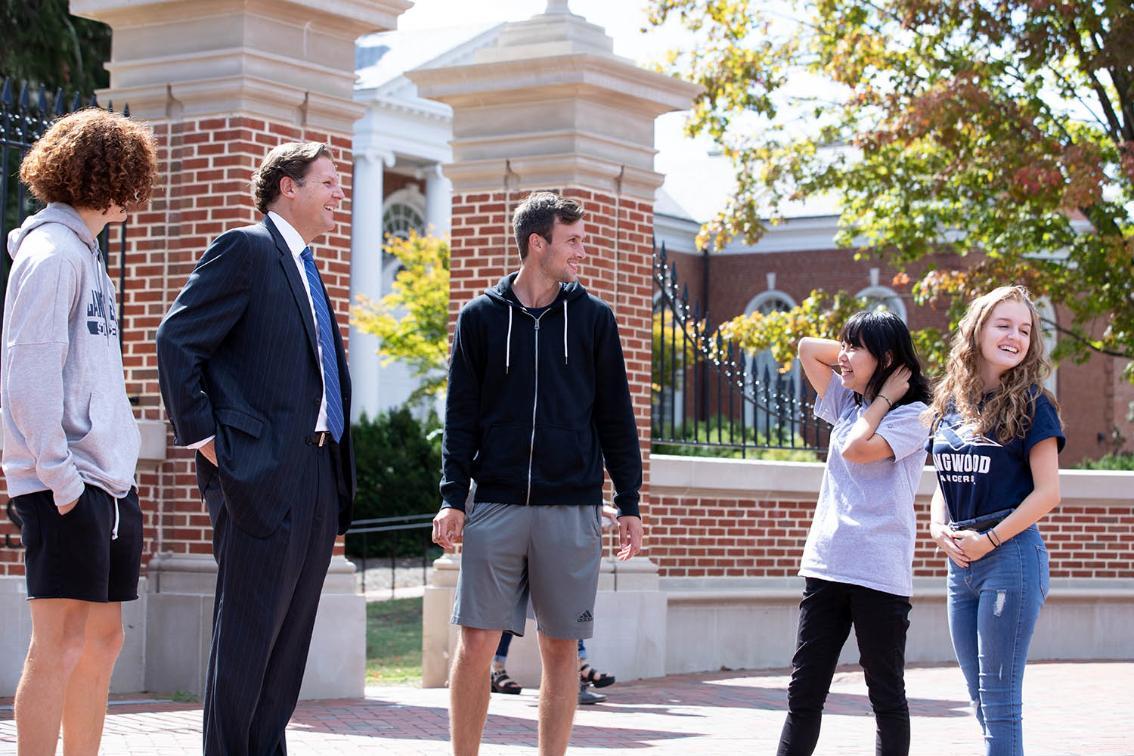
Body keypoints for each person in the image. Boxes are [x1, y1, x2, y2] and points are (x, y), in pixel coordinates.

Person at [155, 142, 356, 755]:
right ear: (287, 188)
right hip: (259, 477)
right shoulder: (246, 248)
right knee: (247, 642)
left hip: (318, 473)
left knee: (288, 645)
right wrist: (213, 446)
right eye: (326, 182)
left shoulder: (308, 264)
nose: (337, 193)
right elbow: (177, 341)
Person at [432, 191, 644, 756]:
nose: (582, 249)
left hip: (571, 506)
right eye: (571, 240)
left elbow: (615, 416)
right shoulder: (479, 318)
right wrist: (453, 496)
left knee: (560, 647)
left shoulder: (594, 320)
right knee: (475, 643)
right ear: (537, 243)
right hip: (496, 503)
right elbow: (460, 415)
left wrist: (629, 502)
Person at [2, 108, 157, 755]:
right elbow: (26, 374)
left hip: (107, 480)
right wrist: (61, 477)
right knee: (59, 642)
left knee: (103, 639)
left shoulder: (87, 257)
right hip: (65, 481)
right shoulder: (51, 255)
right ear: (111, 175)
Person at [778, 310, 932, 756]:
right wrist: (859, 358)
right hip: (827, 564)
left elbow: (856, 449)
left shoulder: (915, 416)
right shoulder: (848, 401)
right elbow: (808, 347)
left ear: (884, 358)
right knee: (804, 693)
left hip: (879, 573)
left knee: (885, 697)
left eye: (853, 348)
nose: (842, 357)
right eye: (843, 346)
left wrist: (884, 396)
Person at [925, 286, 1063, 756]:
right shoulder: (949, 403)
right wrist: (935, 525)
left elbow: (1049, 493)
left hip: (1009, 558)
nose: (1015, 336)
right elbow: (943, 481)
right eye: (1003, 325)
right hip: (959, 565)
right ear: (977, 329)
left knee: (1001, 703)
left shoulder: (1033, 404)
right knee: (980, 700)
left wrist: (990, 539)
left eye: (1024, 329)